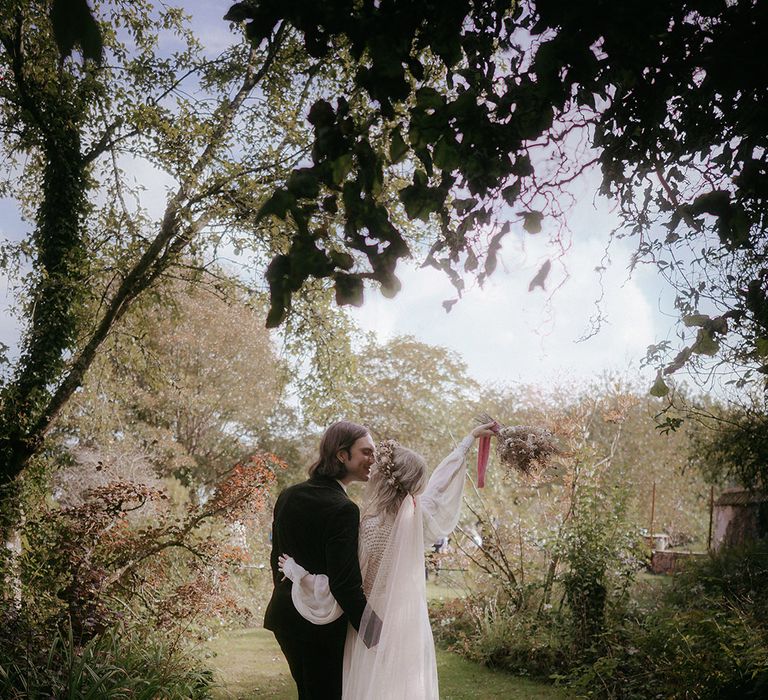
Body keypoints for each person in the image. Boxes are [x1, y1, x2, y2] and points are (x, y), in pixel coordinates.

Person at [279, 423, 495, 699]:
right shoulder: (416, 520)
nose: (372, 465)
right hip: (403, 623)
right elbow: (440, 490)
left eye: (377, 462)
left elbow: (344, 584)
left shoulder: (366, 526)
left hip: (369, 622)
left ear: (385, 479)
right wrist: (467, 442)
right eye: (367, 453)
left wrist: (297, 573)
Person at [264, 420, 380, 699]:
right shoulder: (343, 509)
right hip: (322, 628)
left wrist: (294, 595)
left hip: (286, 619)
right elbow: (344, 584)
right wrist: (375, 633)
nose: (373, 459)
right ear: (342, 455)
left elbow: (276, 561)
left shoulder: (288, 495)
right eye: (366, 452)